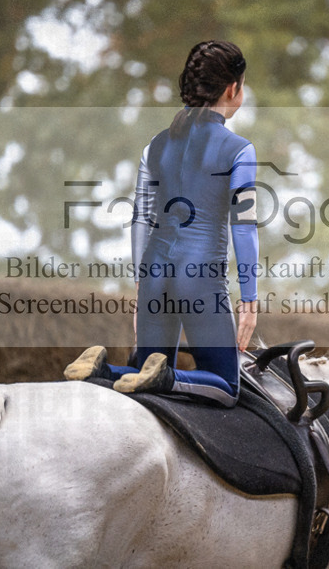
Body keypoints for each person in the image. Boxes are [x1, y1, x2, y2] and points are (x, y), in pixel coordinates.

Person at [65, 40, 259, 407]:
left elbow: (140, 218)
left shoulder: (154, 146)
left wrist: (141, 289)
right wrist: (249, 300)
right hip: (200, 278)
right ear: (233, 88)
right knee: (226, 387)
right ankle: (168, 376)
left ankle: (103, 371)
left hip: (154, 273)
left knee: (139, 375)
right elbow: (244, 227)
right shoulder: (239, 150)